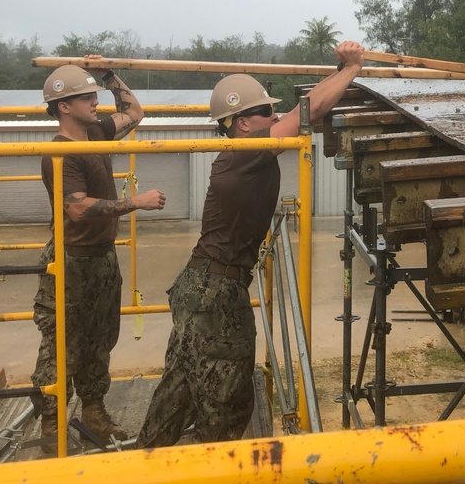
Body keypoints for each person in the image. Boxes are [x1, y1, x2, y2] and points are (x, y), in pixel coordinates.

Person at [136, 40, 365, 447]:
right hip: (215, 294)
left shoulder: (243, 152)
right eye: (264, 111)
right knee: (228, 407)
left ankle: (139, 465)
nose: (273, 115)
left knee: (178, 393)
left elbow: (301, 111)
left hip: (206, 286)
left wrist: (338, 68)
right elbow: (304, 113)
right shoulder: (244, 151)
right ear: (242, 122)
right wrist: (350, 70)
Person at [32, 58, 167, 452]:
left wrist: (108, 74)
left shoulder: (96, 135)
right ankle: (51, 425)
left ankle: (94, 413)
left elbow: (134, 113)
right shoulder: (59, 154)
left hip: (102, 258)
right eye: (85, 97)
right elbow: (76, 207)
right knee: (62, 344)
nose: (95, 102)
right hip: (70, 261)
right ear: (63, 107)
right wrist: (134, 202)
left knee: (99, 340)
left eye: (94, 94)